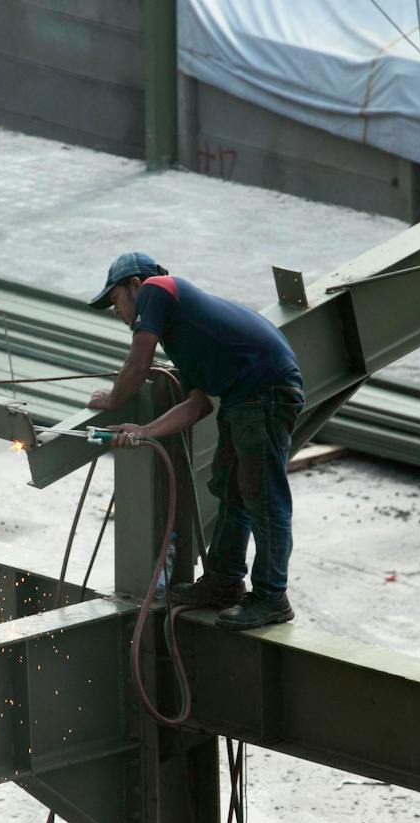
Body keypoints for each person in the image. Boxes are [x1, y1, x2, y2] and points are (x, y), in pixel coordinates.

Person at [87, 252, 304, 630]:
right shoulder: (183, 339)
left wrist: (112, 399)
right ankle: (224, 583)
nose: (116, 311)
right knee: (232, 488)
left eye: (116, 300)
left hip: (265, 390)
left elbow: (138, 364)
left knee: (262, 495)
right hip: (245, 395)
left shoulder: (158, 289)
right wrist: (144, 431)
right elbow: (197, 406)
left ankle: (272, 597)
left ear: (135, 286)